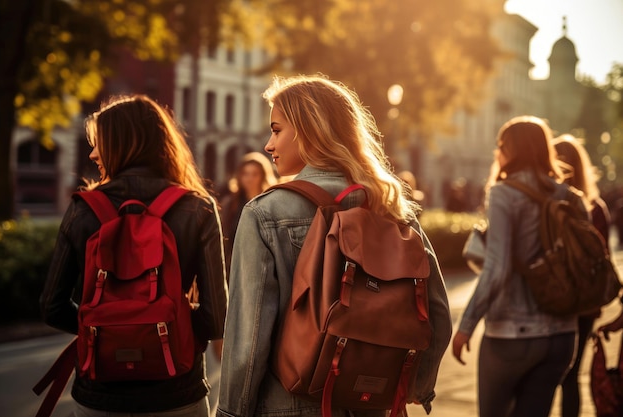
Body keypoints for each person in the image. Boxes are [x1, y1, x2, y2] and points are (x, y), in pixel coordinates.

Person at [216, 74, 452, 417]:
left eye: (277, 130)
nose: (269, 145)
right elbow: (437, 313)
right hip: (375, 402)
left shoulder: (264, 214)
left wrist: (231, 413)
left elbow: (248, 339)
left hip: (288, 404)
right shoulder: (391, 207)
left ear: (310, 129)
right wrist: (416, 387)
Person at [40, 94, 228, 417]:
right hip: (178, 394)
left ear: (122, 144)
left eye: (99, 143)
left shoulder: (82, 210)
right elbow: (216, 317)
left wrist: (107, 329)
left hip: (98, 394)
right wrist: (167, 326)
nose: (92, 153)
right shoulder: (198, 208)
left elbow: (52, 306)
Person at [451, 116, 587, 417]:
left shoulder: (504, 194)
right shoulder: (572, 198)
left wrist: (466, 325)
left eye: (500, 146)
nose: (497, 153)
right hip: (563, 336)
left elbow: (497, 268)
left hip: (512, 334)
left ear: (510, 150)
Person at [207, 151, 276, 417]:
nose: (248, 178)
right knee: (225, 343)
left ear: (262, 175)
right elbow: (222, 245)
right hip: (231, 276)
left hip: (260, 278)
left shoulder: (270, 204)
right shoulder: (231, 204)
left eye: (254, 173)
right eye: (244, 173)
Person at [553, 134, 612, 417]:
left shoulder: (549, 207)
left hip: (553, 300)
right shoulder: (595, 207)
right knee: (571, 376)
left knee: (545, 377)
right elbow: (604, 261)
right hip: (586, 305)